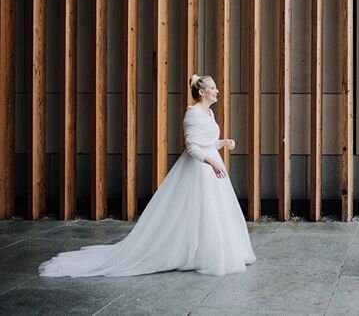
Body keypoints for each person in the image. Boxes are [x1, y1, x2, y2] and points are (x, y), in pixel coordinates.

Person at [40, 75, 256, 277]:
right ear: (202, 93)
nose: (217, 91)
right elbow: (191, 147)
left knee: (213, 211)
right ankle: (198, 253)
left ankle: (206, 250)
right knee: (199, 210)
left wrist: (223, 143)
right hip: (200, 169)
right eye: (212, 88)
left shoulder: (209, 113)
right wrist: (211, 163)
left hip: (212, 168)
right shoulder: (192, 113)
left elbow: (207, 143)